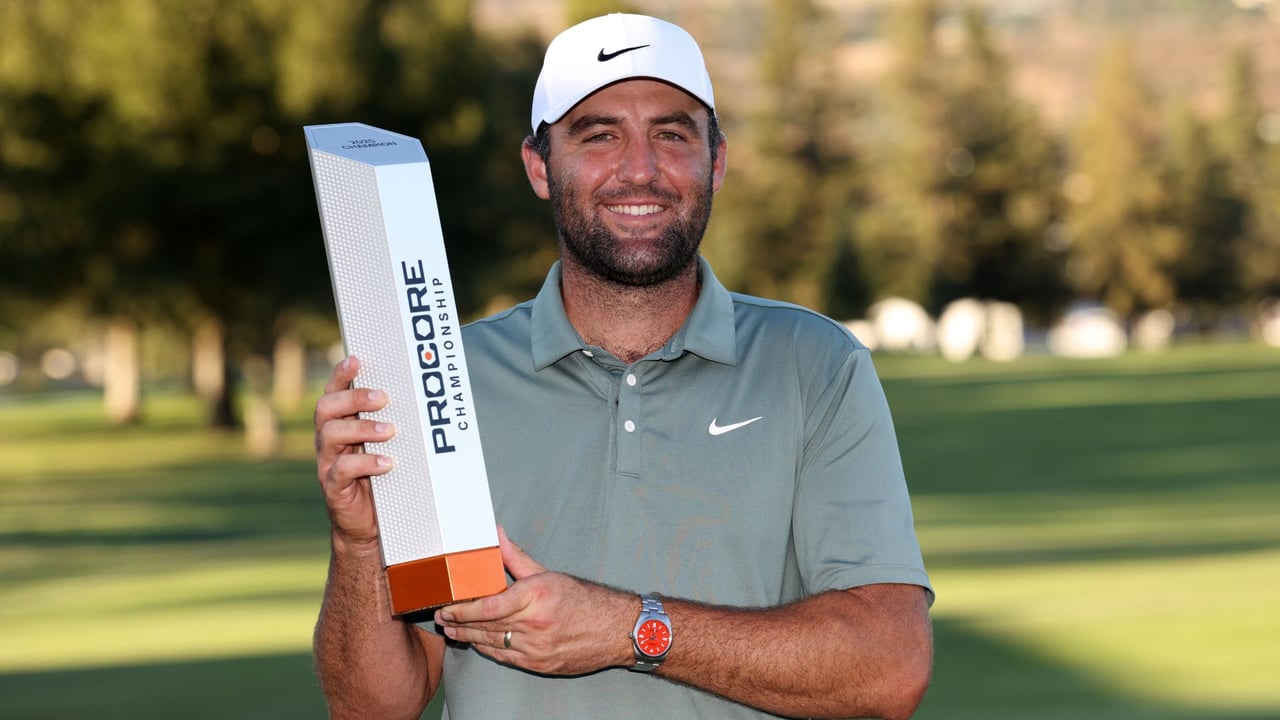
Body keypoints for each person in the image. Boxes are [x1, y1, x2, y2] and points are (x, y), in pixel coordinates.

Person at [312, 13, 933, 720]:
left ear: (716, 162)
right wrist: (359, 541)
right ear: (540, 167)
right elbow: (374, 708)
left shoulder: (813, 365)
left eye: (671, 134)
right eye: (599, 135)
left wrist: (629, 630)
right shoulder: (447, 380)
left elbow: (890, 668)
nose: (640, 168)